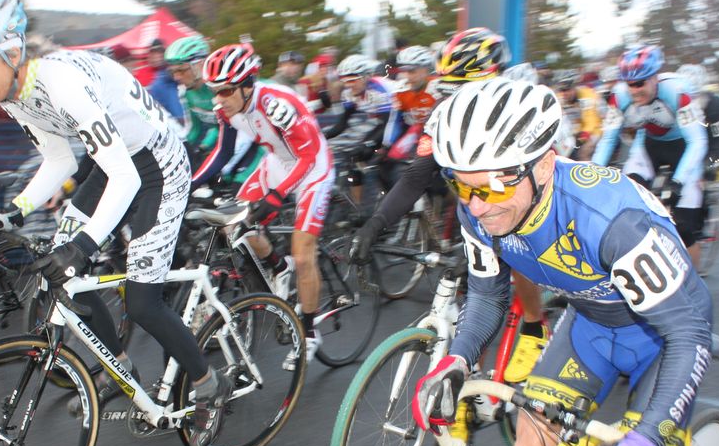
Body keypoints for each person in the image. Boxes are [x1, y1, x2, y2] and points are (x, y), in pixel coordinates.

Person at [412, 77, 715, 446]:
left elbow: (686, 333)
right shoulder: (478, 209)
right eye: (464, 186)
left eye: (493, 188)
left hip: (663, 338)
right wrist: (455, 362)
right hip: (594, 324)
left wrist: (644, 441)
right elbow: (487, 296)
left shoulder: (611, 220)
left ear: (544, 166)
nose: (478, 206)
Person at [0, 0, 231, 445]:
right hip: (112, 163)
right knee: (63, 274)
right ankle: (120, 368)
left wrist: (85, 245)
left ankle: (207, 382)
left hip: (157, 166)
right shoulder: (14, 93)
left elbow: (128, 177)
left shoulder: (61, 83)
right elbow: (60, 161)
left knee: (141, 301)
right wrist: (11, 214)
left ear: (11, 51)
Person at [350, 27, 551, 384]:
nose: (455, 98)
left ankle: (535, 329)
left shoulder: (515, 114)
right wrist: (376, 224)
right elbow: (415, 177)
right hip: (476, 212)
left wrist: (496, 239)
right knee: (475, 297)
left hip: (523, 210)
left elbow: (531, 194)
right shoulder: (443, 116)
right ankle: (468, 372)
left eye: (463, 88)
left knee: (516, 255)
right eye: (450, 89)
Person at [191, 42, 334, 366]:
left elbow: (308, 155)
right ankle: (278, 267)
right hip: (278, 161)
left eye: (225, 91)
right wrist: (190, 184)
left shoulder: (276, 104)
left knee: (303, 252)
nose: (219, 99)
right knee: (234, 222)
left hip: (312, 166)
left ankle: (310, 331)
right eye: (215, 91)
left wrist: (278, 194)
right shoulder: (225, 107)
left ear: (246, 85)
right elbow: (222, 153)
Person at [593, 45, 708, 264]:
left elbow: (698, 141)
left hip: (684, 150)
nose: (634, 90)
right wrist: (591, 175)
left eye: (640, 83)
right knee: (627, 204)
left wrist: (678, 181)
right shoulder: (619, 97)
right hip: (648, 147)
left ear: (655, 78)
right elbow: (608, 140)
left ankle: (695, 284)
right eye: (630, 84)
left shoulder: (677, 92)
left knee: (683, 226)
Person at [166, 35, 261, 186]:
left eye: (182, 70)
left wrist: (221, 166)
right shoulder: (185, 92)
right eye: (172, 72)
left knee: (235, 186)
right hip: (227, 143)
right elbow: (193, 130)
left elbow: (239, 131)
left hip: (253, 142)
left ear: (199, 64)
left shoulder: (219, 88)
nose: (177, 77)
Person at [325, 55, 393, 203]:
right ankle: (359, 207)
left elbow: (387, 124)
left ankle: (389, 195)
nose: (348, 85)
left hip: (396, 121)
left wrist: (367, 144)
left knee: (376, 154)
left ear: (366, 77)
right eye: (345, 80)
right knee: (354, 159)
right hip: (382, 123)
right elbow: (343, 123)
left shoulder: (378, 91)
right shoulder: (349, 94)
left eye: (353, 80)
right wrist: (321, 136)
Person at [550, 69, 602, 161]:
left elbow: (591, 121)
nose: (564, 93)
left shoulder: (587, 95)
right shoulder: (560, 97)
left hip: (594, 130)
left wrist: (582, 137)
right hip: (574, 132)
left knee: (583, 152)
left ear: (574, 87)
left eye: (567, 89)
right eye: (561, 90)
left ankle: (588, 173)